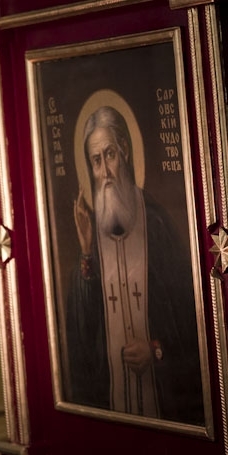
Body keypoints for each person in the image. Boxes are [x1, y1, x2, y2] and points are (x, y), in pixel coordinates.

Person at [66, 105, 203, 424]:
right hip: (114, 404)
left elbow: (188, 318)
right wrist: (86, 253)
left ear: (125, 151)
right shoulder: (90, 231)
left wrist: (156, 350)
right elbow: (82, 339)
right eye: (96, 161)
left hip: (166, 404)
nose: (105, 172)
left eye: (109, 154)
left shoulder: (156, 224)